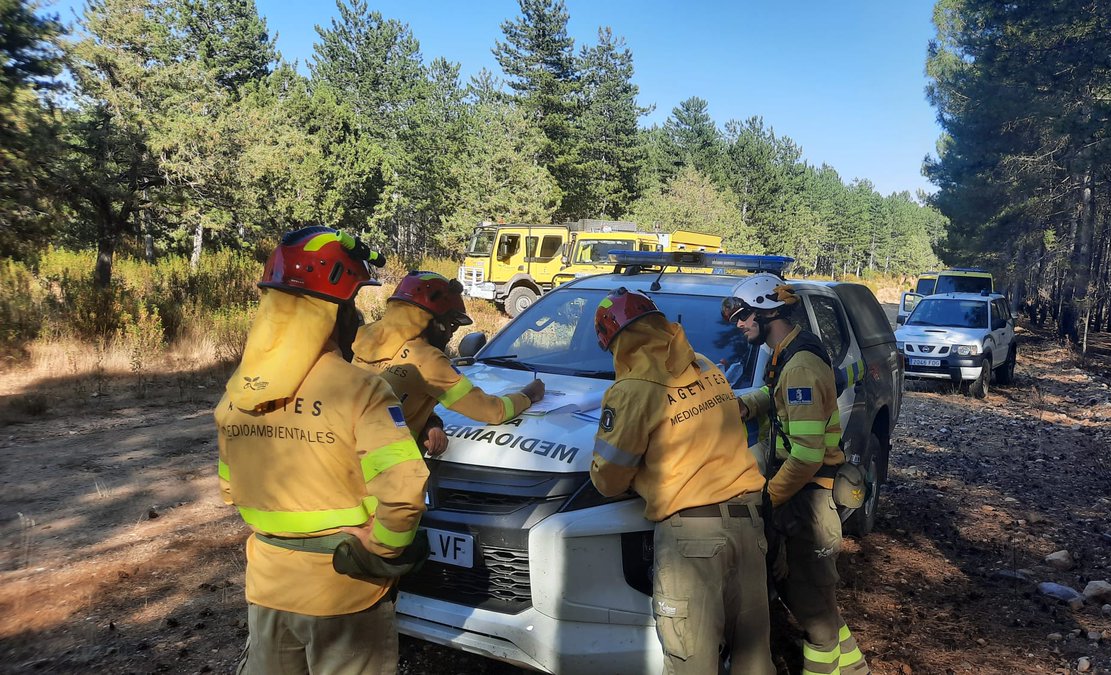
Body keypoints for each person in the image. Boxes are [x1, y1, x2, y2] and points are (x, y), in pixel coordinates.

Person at [215, 227, 429, 675]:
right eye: (350, 304)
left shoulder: (240, 391)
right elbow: (405, 487)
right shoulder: (361, 390)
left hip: (268, 587)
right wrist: (386, 551)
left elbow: (230, 488)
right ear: (333, 312)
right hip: (345, 593)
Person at [589, 287, 774, 675]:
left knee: (692, 660)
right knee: (753, 659)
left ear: (615, 341)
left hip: (692, 538)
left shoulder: (631, 390)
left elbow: (607, 479)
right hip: (748, 523)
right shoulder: (704, 365)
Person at [723, 273, 870, 675]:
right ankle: (855, 670)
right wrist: (742, 406)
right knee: (819, 604)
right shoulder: (789, 354)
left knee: (812, 611)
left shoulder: (800, 366)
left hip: (808, 499)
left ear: (766, 314)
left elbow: (806, 455)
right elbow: (778, 398)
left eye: (742, 316)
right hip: (806, 494)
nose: (738, 324)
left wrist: (769, 497)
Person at [352, 271, 545, 456]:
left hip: (336, 464)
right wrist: (528, 395)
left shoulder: (356, 338)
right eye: (451, 324)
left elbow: (392, 403)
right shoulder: (427, 359)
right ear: (433, 321)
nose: (450, 334)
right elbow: (493, 411)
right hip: (382, 474)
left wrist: (430, 422)